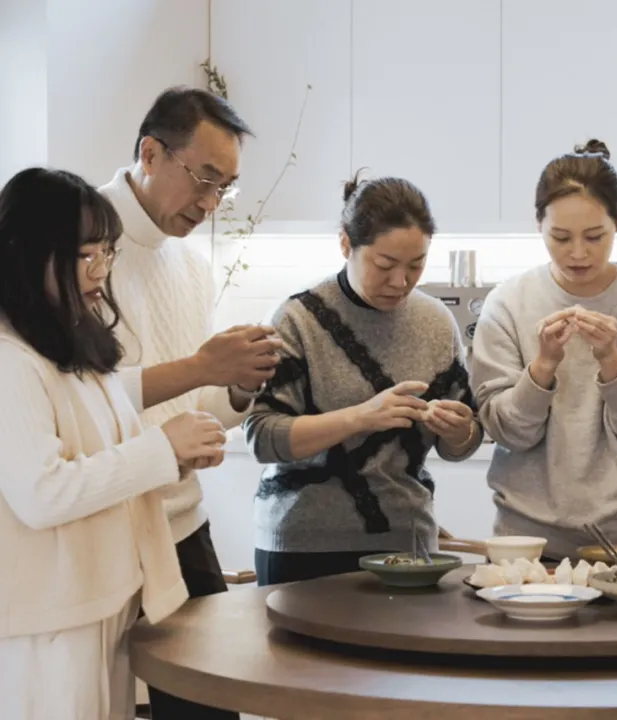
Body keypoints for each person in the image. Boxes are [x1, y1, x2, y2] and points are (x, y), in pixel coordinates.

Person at [0, 168, 228, 719]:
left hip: (98, 601)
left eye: (108, 252)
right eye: (86, 255)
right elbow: (43, 493)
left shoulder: (61, 343)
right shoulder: (10, 359)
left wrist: (172, 457)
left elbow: (101, 434)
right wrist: (162, 451)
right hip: (52, 620)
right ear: (30, 253)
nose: (101, 272)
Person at [99, 85, 283, 720]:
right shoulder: (79, 244)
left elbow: (198, 396)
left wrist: (236, 384)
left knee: (209, 705)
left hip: (182, 519)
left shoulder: (191, 263)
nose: (211, 203)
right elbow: (74, 399)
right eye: (204, 179)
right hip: (103, 523)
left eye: (225, 187)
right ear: (151, 152)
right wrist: (202, 367)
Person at [244, 173, 483, 586]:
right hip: (303, 545)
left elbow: (462, 443)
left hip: (407, 542)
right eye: (385, 264)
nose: (401, 281)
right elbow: (264, 438)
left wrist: (461, 430)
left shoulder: (437, 322)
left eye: (416, 265)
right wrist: (361, 417)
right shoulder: (297, 318)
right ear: (345, 245)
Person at [470, 139, 617, 560]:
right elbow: (508, 430)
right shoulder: (508, 303)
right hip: (527, 541)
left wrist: (612, 361)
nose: (579, 253)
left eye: (595, 236)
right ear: (538, 227)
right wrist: (543, 366)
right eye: (561, 237)